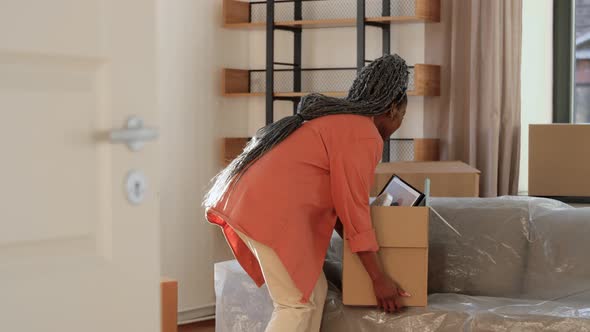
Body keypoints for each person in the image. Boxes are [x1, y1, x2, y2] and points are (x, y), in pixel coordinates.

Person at [204, 54, 410, 332]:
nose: (397, 129)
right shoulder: (363, 133)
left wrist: (361, 253)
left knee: (314, 294)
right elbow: (354, 209)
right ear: (392, 110)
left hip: (252, 204)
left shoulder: (340, 121)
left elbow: (342, 209)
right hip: (267, 213)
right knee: (295, 305)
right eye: (402, 119)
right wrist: (378, 278)